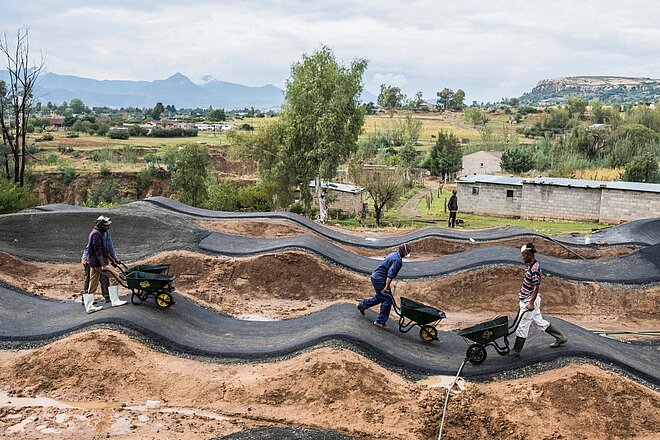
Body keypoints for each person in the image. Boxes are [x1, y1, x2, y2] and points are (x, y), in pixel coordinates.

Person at [510, 243, 567, 357]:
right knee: (539, 322)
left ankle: (516, 350)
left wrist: (531, 303)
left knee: (522, 325)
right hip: (528, 298)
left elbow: (536, 286)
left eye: (524, 255)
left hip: (530, 300)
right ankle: (560, 337)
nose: (523, 258)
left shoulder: (535, 269)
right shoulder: (530, 265)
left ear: (530, 255)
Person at [357, 243, 411, 329]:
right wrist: (386, 287)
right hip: (380, 279)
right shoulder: (397, 260)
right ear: (404, 252)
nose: (407, 254)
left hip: (376, 276)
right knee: (387, 299)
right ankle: (380, 322)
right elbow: (390, 274)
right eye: (407, 252)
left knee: (381, 297)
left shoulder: (394, 254)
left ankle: (363, 304)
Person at [83, 216, 127, 314]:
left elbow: (105, 250)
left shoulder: (101, 233)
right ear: (100, 225)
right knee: (115, 276)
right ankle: (115, 300)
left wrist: (114, 260)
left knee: (93, 283)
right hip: (97, 263)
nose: (108, 227)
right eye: (106, 225)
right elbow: (98, 251)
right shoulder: (95, 235)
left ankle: (89, 306)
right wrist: (103, 265)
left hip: (94, 263)